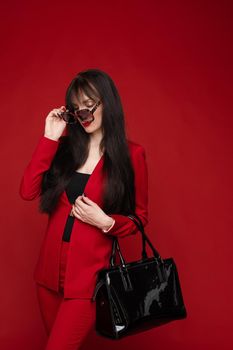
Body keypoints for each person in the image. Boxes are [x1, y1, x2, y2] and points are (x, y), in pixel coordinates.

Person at [19, 68, 148, 349]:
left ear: (107, 104)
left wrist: (106, 222)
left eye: (90, 106)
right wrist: (49, 137)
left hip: (87, 282)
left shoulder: (131, 155)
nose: (83, 115)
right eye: (77, 110)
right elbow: (27, 191)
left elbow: (140, 218)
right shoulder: (64, 148)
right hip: (48, 277)